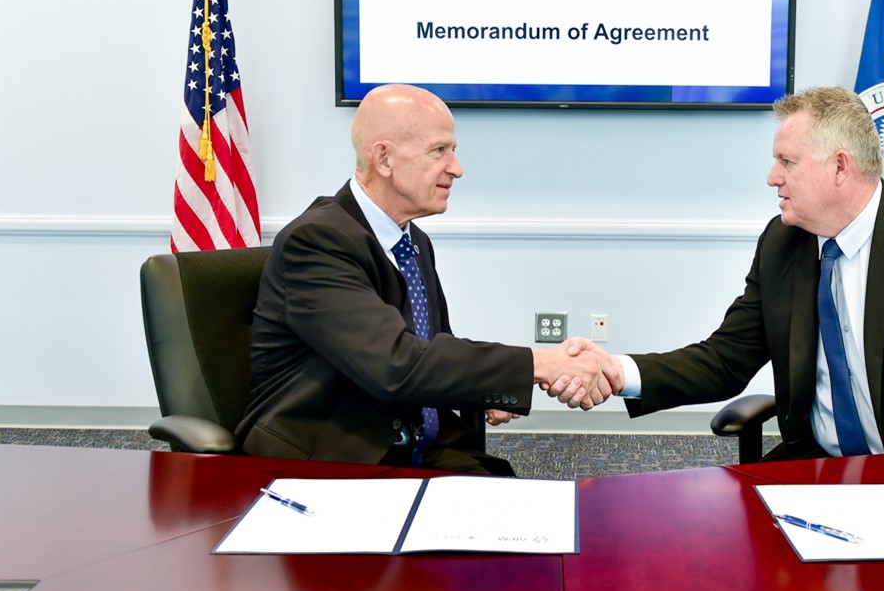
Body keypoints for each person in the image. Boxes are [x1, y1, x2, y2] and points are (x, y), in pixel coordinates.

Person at [560, 85, 884, 459]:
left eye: (787, 161)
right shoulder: (783, 243)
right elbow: (725, 359)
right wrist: (617, 370)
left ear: (840, 166)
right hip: (814, 464)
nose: (771, 177)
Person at [236, 84, 611, 474]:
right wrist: (538, 363)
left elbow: (435, 347)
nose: (457, 167)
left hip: (416, 443)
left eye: (453, 149)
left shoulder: (413, 241)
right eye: (439, 150)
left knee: (511, 507)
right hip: (333, 458)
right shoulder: (316, 242)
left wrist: (489, 389)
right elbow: (395, 364)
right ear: (384, 158)